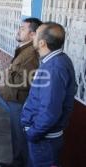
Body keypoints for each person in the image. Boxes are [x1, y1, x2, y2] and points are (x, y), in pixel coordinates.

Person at [21, 22, 77, 167]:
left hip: (44, 139)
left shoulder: (53, 67)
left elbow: (50, 111)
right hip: (45, 137)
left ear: (42, 43)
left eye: (35, 34)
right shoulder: (58, 59)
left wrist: (33, 133)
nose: (32, 36)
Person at [0, 18, 42, 167]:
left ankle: (21, 162)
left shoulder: (31, 54)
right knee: (17, 135)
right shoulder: (24, 49)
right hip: (15, 99)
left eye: (23, 28)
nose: (18, 30)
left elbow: (27, 81)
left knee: (21, 136)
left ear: (32, 34)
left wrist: (6, 80)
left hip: (20, 101)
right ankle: (17, 161)